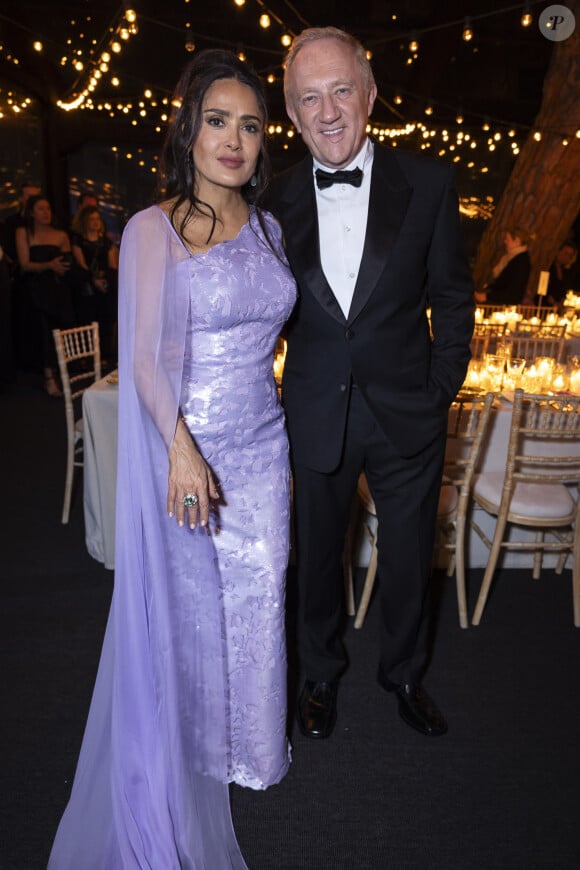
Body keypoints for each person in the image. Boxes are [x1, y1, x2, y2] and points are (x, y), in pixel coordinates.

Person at [48, 49, 296, 868]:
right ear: (189, 130)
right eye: (217, 121)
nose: (234, 140)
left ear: (264, 143)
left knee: (257, 607)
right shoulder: (155, 228)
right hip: (192, 453)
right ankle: (181, 766)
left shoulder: (268, 228)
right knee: (186, 623)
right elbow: (147, 360)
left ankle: (241, 750)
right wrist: (181, 452)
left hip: (264, 453)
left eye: (251, 125)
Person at [264, 27, 474, 740]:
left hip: (407, 410)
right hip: (317, 408)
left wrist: (440, 384)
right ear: (291, 115)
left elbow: (452, 296)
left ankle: (405, 672)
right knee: (316, 556)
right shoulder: (273, 196)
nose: (327, 112)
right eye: (308, 98)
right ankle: (318, 673)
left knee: (411, 556)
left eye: (341, 90)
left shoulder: (430, 182)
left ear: (371, 93)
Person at [15, 195, 74, 396]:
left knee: (59, 331)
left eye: (48, 208)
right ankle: (49, 378)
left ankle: (61, 374)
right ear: (31, 212)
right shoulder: (24, 232)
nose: (45, 212)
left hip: (57, 290)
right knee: (42, 332)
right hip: (34, 290)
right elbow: (24, 264)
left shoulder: (60, 234)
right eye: (40, 208)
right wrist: (49, 265)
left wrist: (63, 266)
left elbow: (67, 261)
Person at [70, 205, 119, 363]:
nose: (95, 222)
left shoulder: (106, 242)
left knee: (106, 322)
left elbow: (113, 265)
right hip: (87, 285)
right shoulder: (78, 241)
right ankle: (88, 358)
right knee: (88, 321)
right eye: (92, 219)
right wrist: (93, 280)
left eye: (98, 219)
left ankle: (104, 357)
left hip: (106, 286)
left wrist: (107, 282)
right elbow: (81, 264)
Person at [474, 226, 532, 306]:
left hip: (504, 306)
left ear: (517, 241)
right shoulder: (511, 258)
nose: (505, 242)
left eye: (507, 239)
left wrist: (488, 296)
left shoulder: (521, 262)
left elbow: (513, 290)